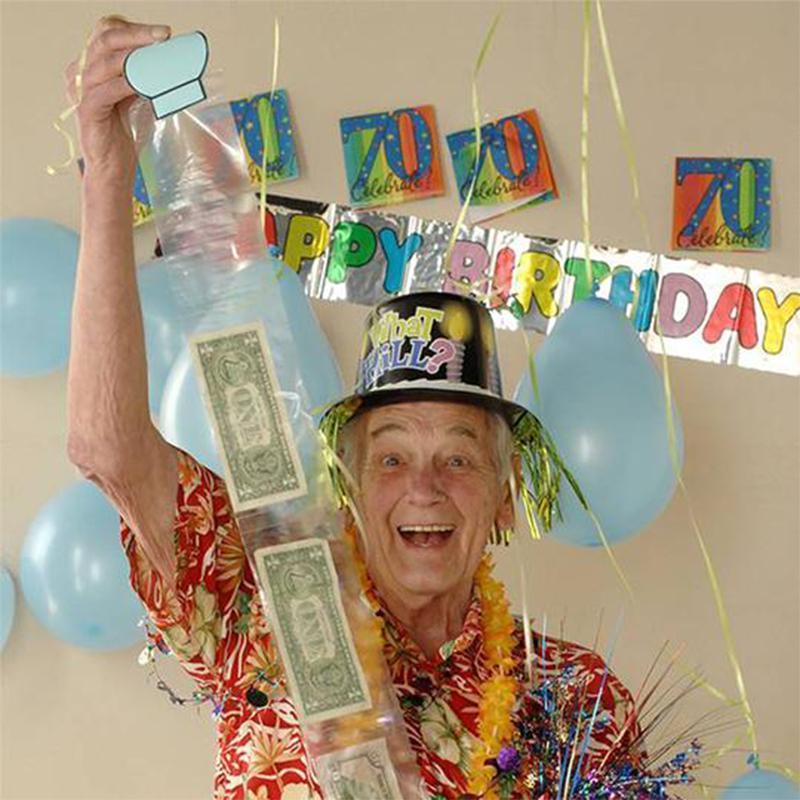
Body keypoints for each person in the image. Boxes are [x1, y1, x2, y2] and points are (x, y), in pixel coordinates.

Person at [65, 17, 642, 800]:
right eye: (393, 456)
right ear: (350, 486)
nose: (425, 488)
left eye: (460, 458)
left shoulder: (580, 703)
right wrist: (108, 171)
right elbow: (108, 450)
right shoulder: (263, 605)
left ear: (506, 495)